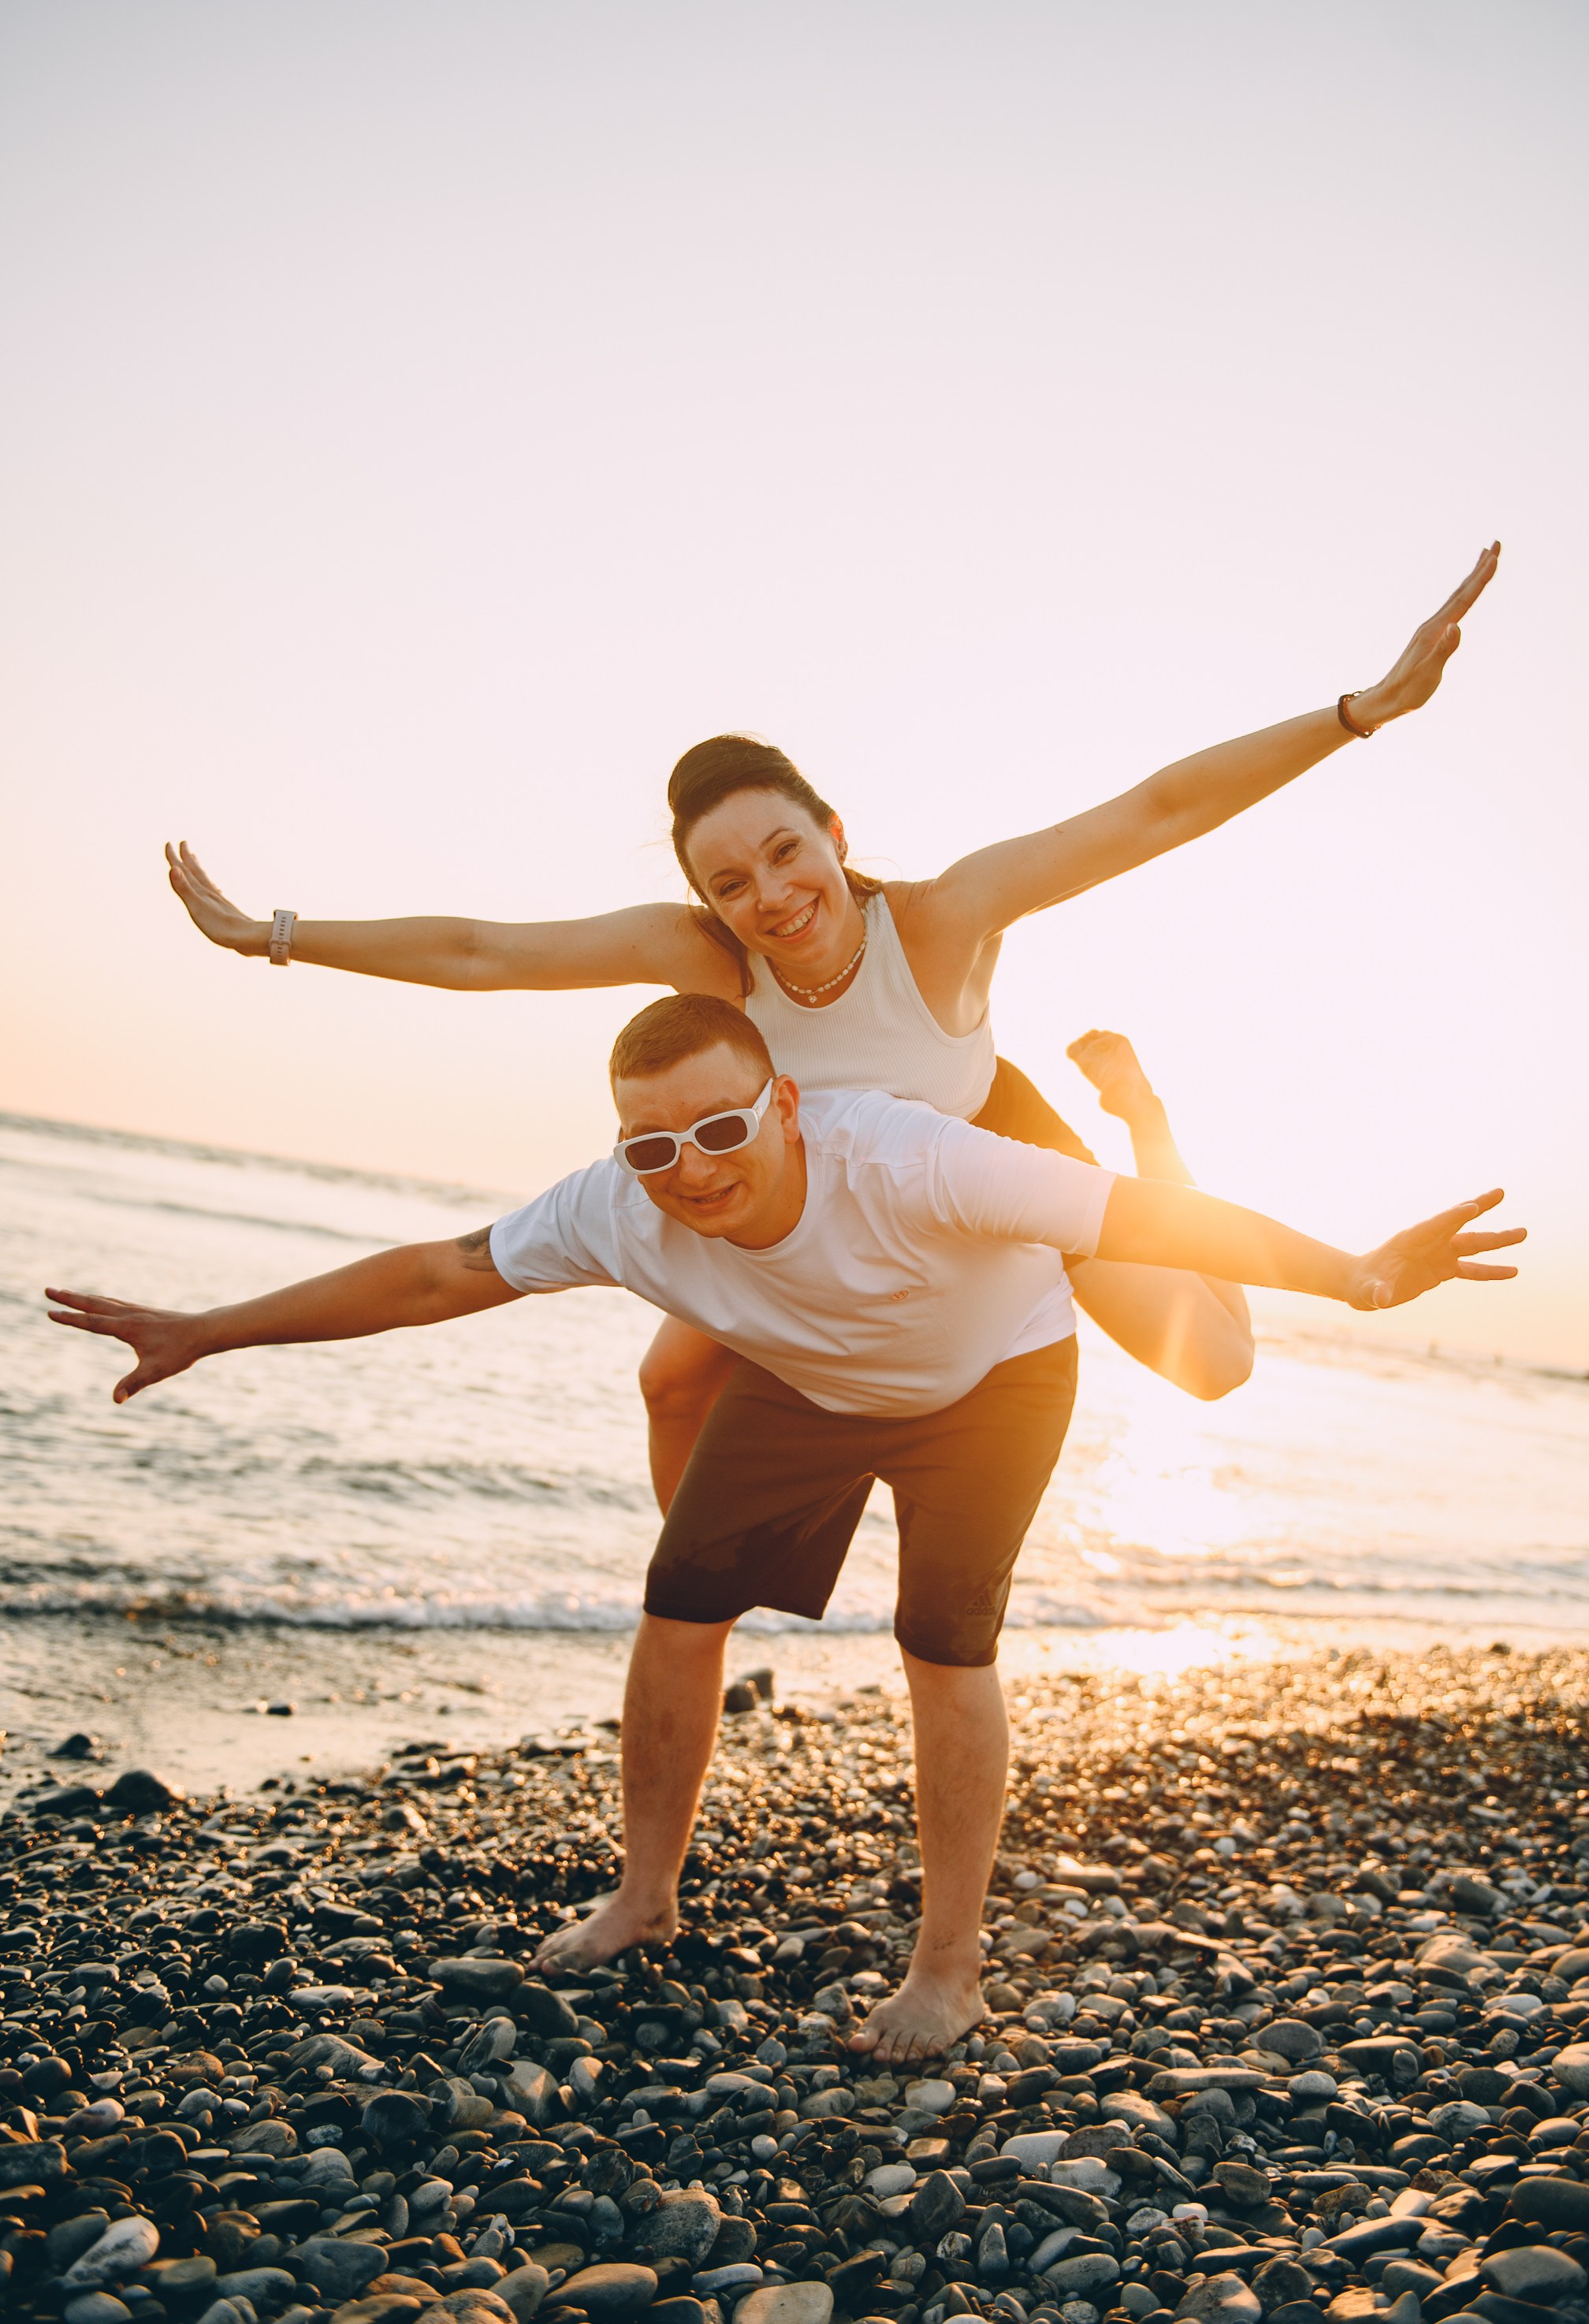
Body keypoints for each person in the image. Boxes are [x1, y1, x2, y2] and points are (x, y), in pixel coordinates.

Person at [47, 993, 1524, 2061]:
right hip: (812, 1388)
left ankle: (948, 1968)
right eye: (653, 1145)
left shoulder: (916, 1157)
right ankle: (645, 1896)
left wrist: (1361, 1276)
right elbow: (437, 1274)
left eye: (722, 1126)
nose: (692, 1165)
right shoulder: (620, 1210)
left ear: (789, 1105)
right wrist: (214, 1329)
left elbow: (1153, 1226)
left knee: (950, 1634)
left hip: (991, 1378)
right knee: (679, 1598)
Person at [165, 548, 1498, 1501]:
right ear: (702, 896)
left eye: (787, 854)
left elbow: (1152, 810)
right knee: (672, 1383)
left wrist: (1359, 713)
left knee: (1213, 1367)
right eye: (729, 883)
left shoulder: (941, 917)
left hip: (983, 1143)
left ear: (833, 833)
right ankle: (694, 1600)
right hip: (811, 1186)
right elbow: (480, 952)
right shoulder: (694, 951)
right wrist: (272, 936)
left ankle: (1150, 1132)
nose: (772, 899)